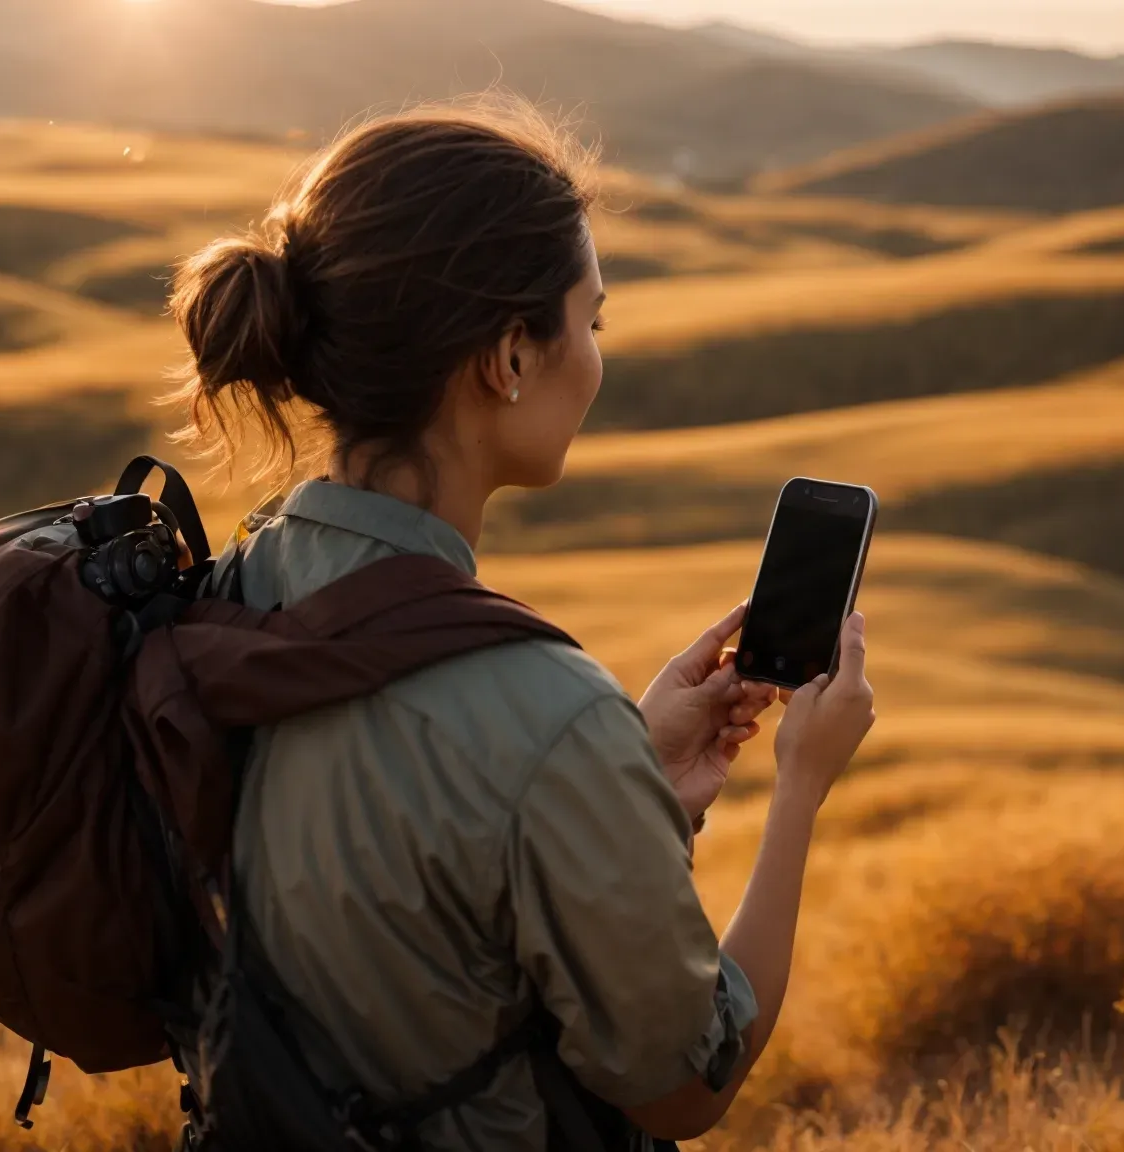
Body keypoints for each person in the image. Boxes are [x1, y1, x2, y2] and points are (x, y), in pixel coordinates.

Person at [166, 96, 875, 1149]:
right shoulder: (544, 720)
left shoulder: (227, 596)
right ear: (507, 359)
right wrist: (800, 788)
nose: (594, 357)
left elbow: (423, 904)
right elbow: (682, 1085)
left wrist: (629, 786)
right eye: (589, 320)